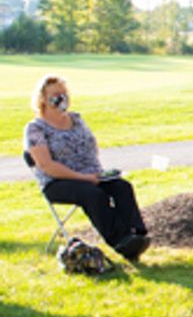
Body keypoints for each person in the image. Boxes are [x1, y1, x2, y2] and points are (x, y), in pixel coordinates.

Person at [23, 74, 150, 262]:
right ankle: (121, 241)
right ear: (42, 98)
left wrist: (98, 173)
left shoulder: (76, 119)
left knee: (121, 186)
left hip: (91, 175)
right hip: (59, 182)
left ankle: (136, 235)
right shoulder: (35, 129)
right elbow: (47, 166)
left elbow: (91, 146)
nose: (61, 98)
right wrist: (84, 177)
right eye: (55, 94)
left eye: (64, 93)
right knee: (92, 194)